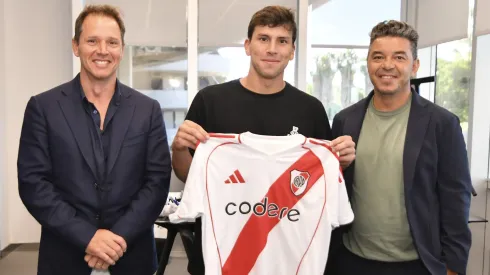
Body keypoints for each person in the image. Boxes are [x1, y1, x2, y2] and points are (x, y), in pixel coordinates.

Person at [170, 5, 356, 275]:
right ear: (247, 46)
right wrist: (179, 148)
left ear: (292, 51)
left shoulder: (311, 109)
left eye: (282, 41)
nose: (272, 49)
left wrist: (342, 163)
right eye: (263, 39)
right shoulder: (210, 101)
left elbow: (320, 182)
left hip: (288, 262)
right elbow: (189, 174)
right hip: (223, 262)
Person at [17, 4, 171, 275]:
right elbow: (34, 184)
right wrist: (88, 237)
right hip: (65, 257)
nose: (103, 50)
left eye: (112, 42)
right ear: (76, 46)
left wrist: (116, 240)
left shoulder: (148, 110)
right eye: (92, 41)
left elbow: (156, 182)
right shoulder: (44, 107)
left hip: (132, 256)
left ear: (122, 49)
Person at [325, 20, 472, 275]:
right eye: (378, 57)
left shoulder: (442, 124)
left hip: (418, 264)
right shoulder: (344, 120)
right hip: (351, 261)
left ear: (414, 66)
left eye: (399, 57)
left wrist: (453, 267)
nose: (387, 65)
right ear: (368, 63)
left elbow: (456, 199)